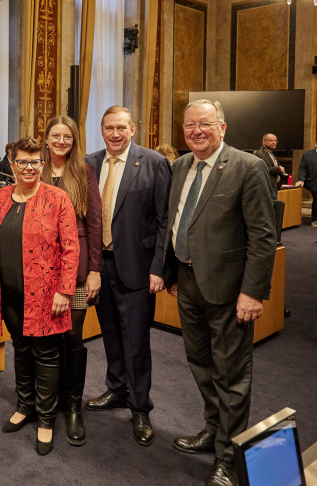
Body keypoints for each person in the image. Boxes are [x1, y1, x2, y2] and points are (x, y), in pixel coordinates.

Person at [163, 99, 276, 486]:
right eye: (189, 125)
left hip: (230, 290)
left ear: (222, 127)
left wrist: (253, 292)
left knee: (231, 375)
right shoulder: (180, 166)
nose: (196, 131)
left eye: (205, 124)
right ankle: (213, 430)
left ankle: (228, 456)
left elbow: (263, 235)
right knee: (200, 364)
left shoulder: (248, 167)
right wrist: (173, 270)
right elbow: (177, 223)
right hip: (189, 282)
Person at [0, 137, 79, 456]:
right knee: (21, 348)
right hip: (9, 293)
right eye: (22, 161)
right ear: (10, 164)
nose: (29, 167)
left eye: (35, 161)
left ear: (43, 163)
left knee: (46, 354)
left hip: (46, 295)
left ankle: (47, 418)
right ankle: (24, 405)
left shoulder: (57, 198)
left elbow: (71, 248)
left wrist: (66, 290)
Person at [83, 106, 171, 447]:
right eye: (109, 128)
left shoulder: (153, 163)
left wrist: (158, 268)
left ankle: (139, 406)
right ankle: (116, 389)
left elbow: (164, 221)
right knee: (109, 333)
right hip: (99, 266)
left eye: (121, 127)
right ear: (101, 130)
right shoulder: (89, 163)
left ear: (133, 128)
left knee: (136, 341)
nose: (115, 134)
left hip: (137, 267)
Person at [40, 115, 102, 446]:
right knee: (47, 337)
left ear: (74, 140)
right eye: (55, 135)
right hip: (41, 269)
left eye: (67, 136)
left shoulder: (84, 172)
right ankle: (51, 401)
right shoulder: (37, 170)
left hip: (76, 270)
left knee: (73, 337)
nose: (61, 141)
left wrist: (95, 269)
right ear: (46, 138)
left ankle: (74, 406)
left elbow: (95, 224)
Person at [295, 135, 317, 227]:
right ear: (316, 144)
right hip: (314, 181)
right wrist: (301, 180)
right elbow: (302, 169)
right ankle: (315, 219)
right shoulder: (308, 155)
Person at [254, 133, 286, 199]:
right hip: (267, 188)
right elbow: (261, 169)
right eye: (271, 140)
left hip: (274, 187)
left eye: (275, 141)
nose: (274, 142)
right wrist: (278, 169)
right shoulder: (260, 154)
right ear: (263, 141)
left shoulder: (270, 153)